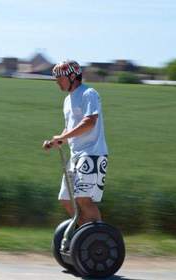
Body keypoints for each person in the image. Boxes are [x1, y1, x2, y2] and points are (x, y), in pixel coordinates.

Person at [43, 60, 109, 226]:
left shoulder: (89, 93)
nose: (57, 81)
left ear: (73, 76)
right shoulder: (67, 100)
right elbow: (70, 128)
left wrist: (62, 137)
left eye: (60, 78)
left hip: (92, 154)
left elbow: (89, 122)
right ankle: (83, 237)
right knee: (65, 199)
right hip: (75, 156)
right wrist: (57, 141)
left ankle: (97, 238)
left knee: (82, 199)